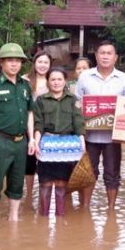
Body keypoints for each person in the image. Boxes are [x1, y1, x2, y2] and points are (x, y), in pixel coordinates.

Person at [0, 43, 35, 226]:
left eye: (17, 61)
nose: (14, 64)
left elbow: (30, 113)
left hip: (21, 142)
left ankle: (13, 217)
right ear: (1, 62)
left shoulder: (25, 85)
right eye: (9, 60)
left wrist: (32, 138)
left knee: (17, 183)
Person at [75, 40, 125, 210]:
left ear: (115, 57)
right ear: (96, 56)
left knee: (112, 173)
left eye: (109, 53)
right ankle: (85, 207)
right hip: (89, 136)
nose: (105, 56)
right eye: (102, 53)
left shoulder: (124, 79)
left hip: (113, 138)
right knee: (88, 173)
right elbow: (77, 104)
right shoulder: (85, 77)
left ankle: (111, 209)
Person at [33, 67, 86, 216]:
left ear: (65, 81)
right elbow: (38, 124)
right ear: (48, 82)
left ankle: (60, 216)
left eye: (59, 79)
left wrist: (82, 145)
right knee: (45, 182)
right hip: (46, 145)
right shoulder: (41, 100)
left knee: (62, 182)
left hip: (66, 146)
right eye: (53, 79)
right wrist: (36, 143)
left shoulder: (73, 100)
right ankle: (43, 217)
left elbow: (78, 123)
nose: (56, 83)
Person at [22, 51, 52, 204]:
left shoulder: (53, 81)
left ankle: (43, 195)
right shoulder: (24, 80)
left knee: (45, 161)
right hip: (28, 125)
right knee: (29, 161)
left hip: (47, 126)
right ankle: (28, 194)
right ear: (34, 63)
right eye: (40, 62)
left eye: (46, 62)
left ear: (50, 65)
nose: (42, 65)